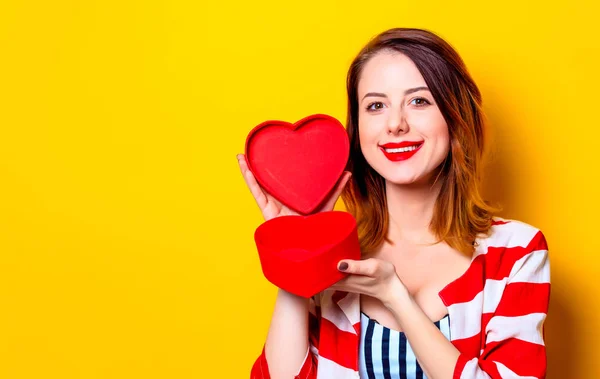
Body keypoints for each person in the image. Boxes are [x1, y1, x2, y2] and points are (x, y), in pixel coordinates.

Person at [238, 27, 550, 379]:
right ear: (358, 130)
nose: (395, 124)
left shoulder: (516, 254)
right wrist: (298, 250)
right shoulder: (336, 257)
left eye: (419, 101)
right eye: (375, 106)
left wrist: (396, 298)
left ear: (454, 117)